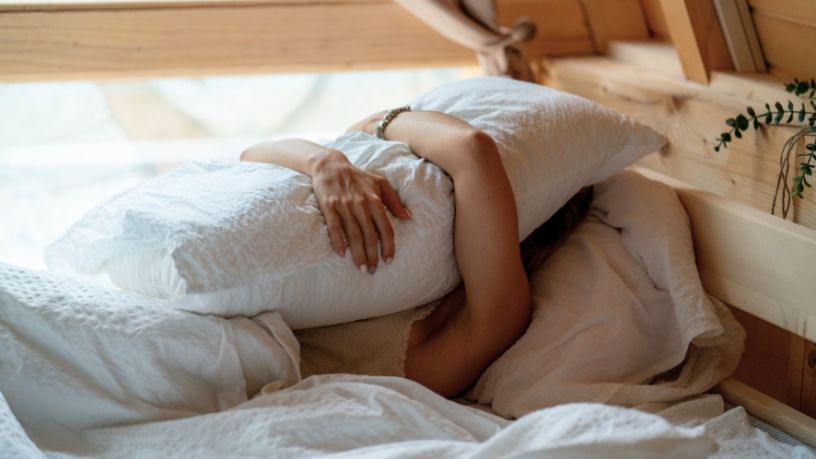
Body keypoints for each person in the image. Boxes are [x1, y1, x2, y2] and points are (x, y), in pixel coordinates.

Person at [241, 109, 591, 398]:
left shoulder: (495, 316)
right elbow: (251, 155)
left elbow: (473, 149)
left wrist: (378, 121)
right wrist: (326, 162)